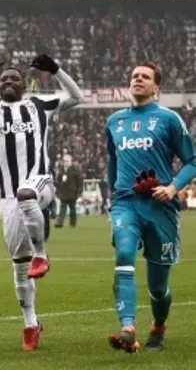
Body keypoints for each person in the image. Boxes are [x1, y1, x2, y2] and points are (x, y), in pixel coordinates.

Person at [0, 53, 82, 350]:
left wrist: (56, 69)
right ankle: (30, 324)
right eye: (3, 79)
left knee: (27, 195)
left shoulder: (39, 105)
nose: (9, 81)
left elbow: (77, 96)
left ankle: (42, 254)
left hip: (40, 181)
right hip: (9, 196)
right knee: (20, 265)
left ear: (25, 86)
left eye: (15, 78)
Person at [105, 62, 196, 353]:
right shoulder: (114, 121)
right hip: (125, 203)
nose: (138, 79)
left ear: (156, 87)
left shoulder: (168, 119)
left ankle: (158, 326)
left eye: (145, 76)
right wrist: (112, 194)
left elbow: (192, 161)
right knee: (124, 253)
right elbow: (112, 162)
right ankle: (128, 328)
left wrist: (172, 188)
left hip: (160, 207)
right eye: (134, 75)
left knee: (158, 288)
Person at [54, 154, 83, 228]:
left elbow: (79, 181)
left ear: (71, 161)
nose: (65, 162)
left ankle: (72, 223)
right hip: (63, 192)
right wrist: (58, 190)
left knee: (72, 208)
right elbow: (58, 181)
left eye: (67, 161)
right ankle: (60, 223)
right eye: (64, 161)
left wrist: (79, 192)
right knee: (62, 208)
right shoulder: (61, 169)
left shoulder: (75, 170)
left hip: (72, 193)